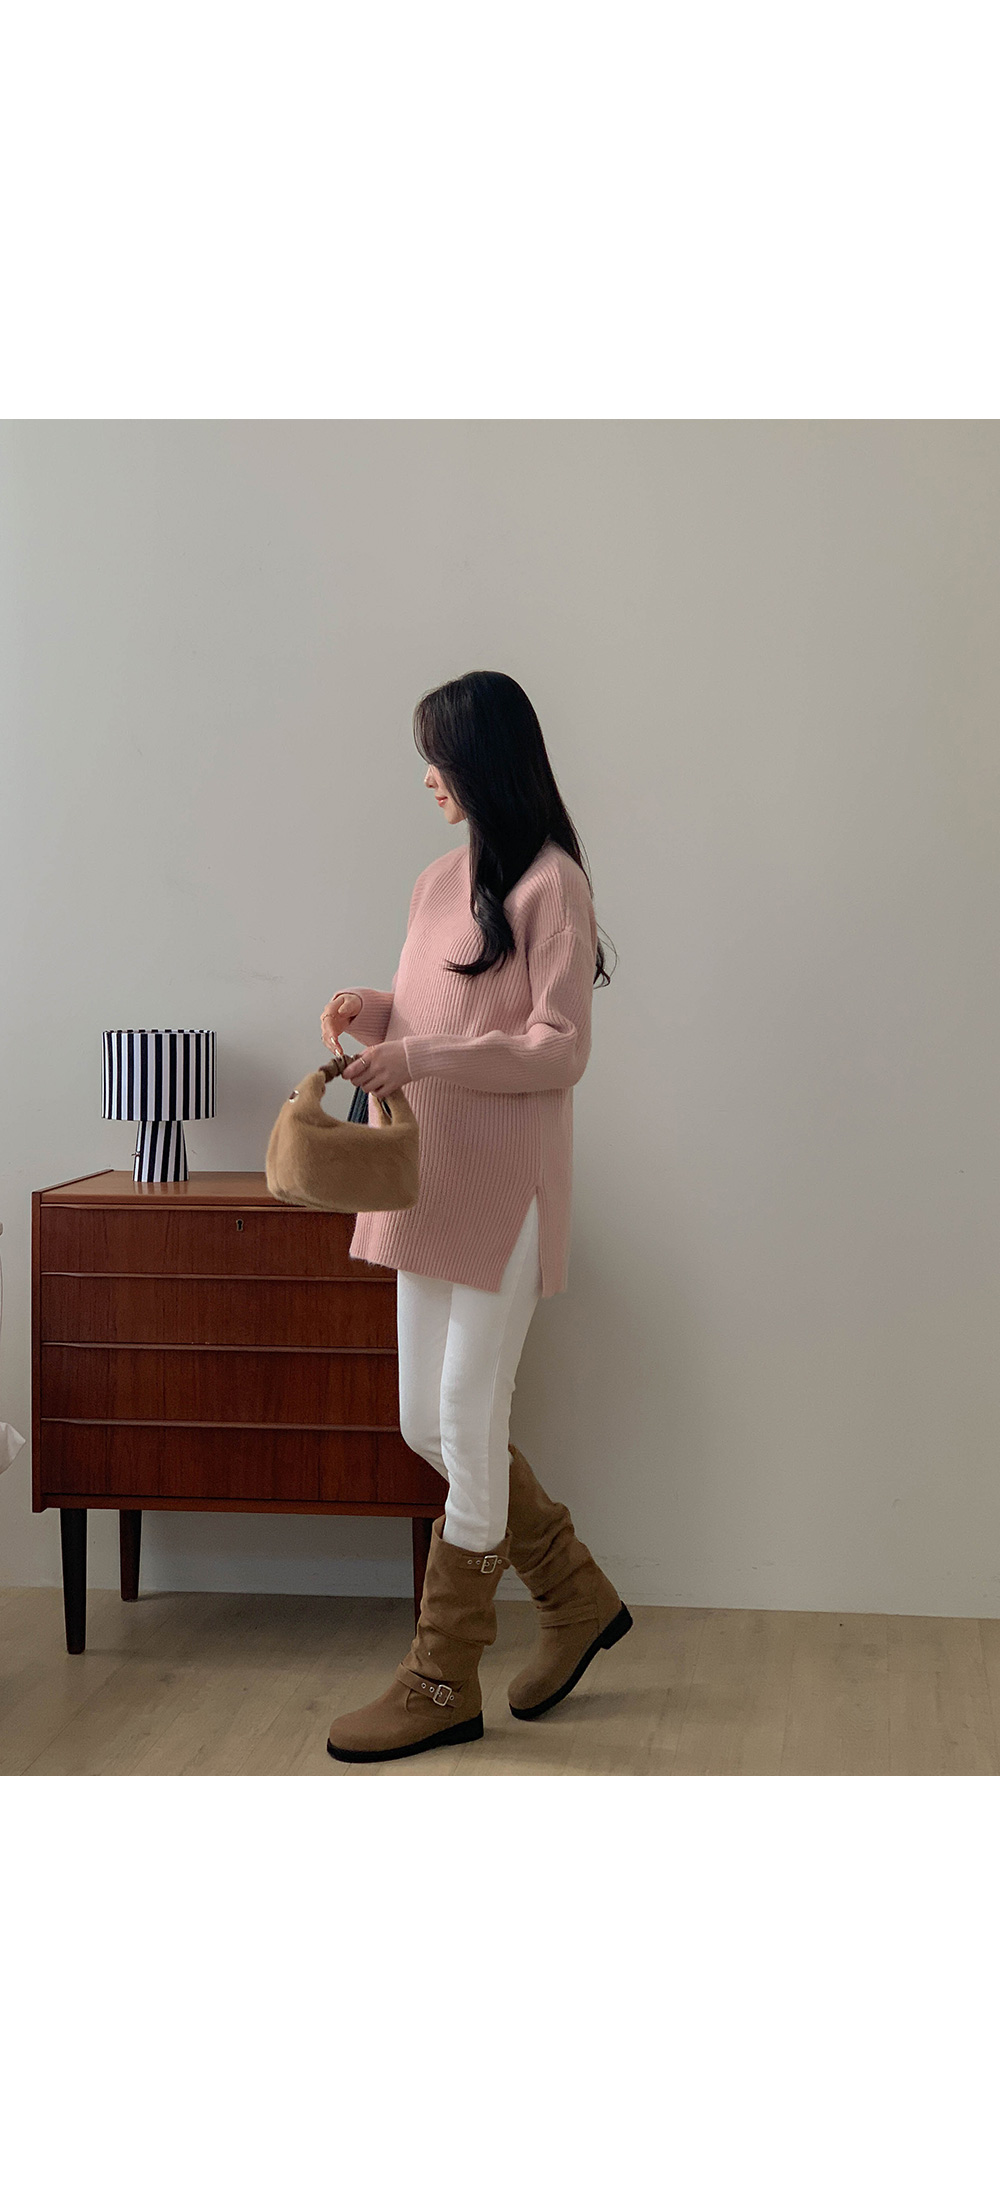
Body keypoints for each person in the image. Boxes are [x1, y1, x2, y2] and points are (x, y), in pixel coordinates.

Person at [321, 670, 631, 1764]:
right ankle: (575, 1593)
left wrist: (421, 1052)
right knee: (427, 1423)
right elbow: (436, 1009)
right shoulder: (435, 882)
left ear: (484, 761)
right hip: (427, 1178)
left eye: (439, 757)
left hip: (506, 1190)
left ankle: (442, 1673)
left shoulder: (553, 884)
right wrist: (376, 1014)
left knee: (464, 1410)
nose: (428, 778)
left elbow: (558, 1047)